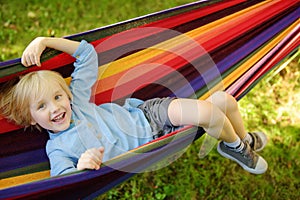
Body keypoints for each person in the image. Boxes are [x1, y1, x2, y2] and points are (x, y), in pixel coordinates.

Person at [0, 37, 268, 176]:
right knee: (218, 105)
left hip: (150, 115)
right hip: (146, 147)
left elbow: (86, 54)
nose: (55, 107)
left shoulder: (77, 101)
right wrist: (81, 166)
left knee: (223, 101)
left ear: (67, 95)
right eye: (42, 106)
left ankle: (238, 145)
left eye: (58, 97)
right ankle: (239, 144)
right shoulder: (57, 148)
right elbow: (64, 180)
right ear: (31, 118)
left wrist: (45, 41)